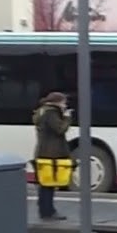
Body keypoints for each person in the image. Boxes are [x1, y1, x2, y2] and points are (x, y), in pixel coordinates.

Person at [32, 91, 72, 221]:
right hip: (51, 153)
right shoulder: (51, 113)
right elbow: (60, 129)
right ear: (57, 102)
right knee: (49, 184)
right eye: (64, 103)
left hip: (44, 152)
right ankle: (48, 211)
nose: (65, 105)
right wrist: (67, 117)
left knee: (45, 183)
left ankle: (44, 209)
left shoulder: (42, 111)